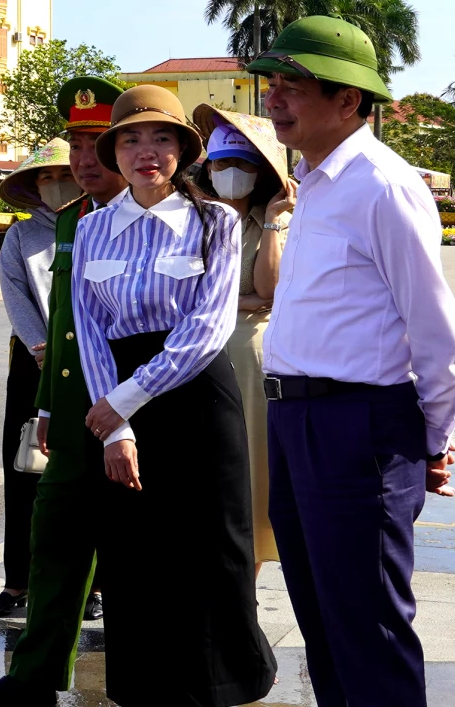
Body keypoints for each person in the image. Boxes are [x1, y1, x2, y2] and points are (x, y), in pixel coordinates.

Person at [245, 16, 455, 707]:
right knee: (323, 620)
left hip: (358, 424)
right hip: (295, 419)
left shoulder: (382, 185)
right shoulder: (312, 184)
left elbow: (434, 331)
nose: (274, 99)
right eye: (272, 85)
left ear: (348, 100)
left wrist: (432, 440)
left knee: (368, 627)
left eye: (293, 87)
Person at [71, 83, 275, 705]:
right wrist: (117, 427)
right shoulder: (91, 229)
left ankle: (223, 680)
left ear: (184, 150)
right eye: (131, 139)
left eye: (162, 138)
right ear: (113, 152)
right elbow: (90, 330)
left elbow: (208, 329)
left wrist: (124, 401)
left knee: (213, 541)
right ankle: (144, 682)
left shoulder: (214, 221)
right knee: (134, 545)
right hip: (119, 405)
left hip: (198, 395)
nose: (147, 152)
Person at [0, 76, 122, 707]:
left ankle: (148, 677)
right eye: (76, 145)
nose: (80, 161)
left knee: (134, 542)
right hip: (62, 390)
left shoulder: (176, 221)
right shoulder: (60, 227)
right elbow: (57, 316)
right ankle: (32, 679)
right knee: (54, 529)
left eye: (97, 144)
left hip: (131, 400)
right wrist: (49, 398)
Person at [191, 104, 294, 570]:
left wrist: (270, 221)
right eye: (222, 163)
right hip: (192, 353)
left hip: (248, 357)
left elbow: (270, 291)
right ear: (208, 168)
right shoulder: (190, 219)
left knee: (249, 464)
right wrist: (243, 300)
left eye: (243, 163)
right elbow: (180, 294)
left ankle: (245, 574)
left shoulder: (275, 221)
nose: (231, 172)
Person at [0, 137, 78, 618]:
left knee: (85, 471)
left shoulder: (98, 223)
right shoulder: (20, 236)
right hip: (33, 358)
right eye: (47, 177)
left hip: (88, 358)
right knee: (23, 470)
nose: (56, 185)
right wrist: (44, 348)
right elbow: (15, 296)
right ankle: (17, 582)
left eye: (65, 175)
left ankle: (92, 587)